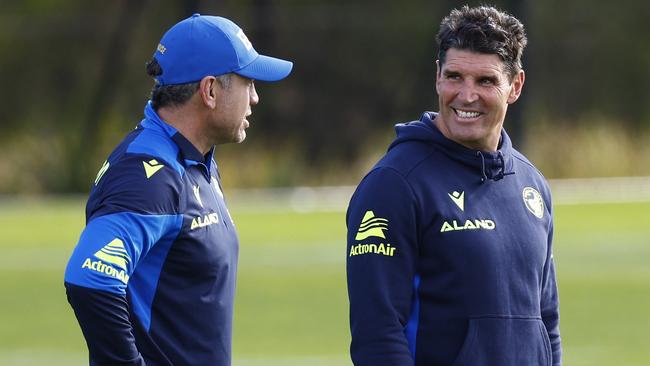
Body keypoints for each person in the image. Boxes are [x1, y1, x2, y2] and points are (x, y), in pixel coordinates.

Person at [64, 14, 292, 365]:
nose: (256, 98)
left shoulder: (193, 159)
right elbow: (90, 277)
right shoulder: (147, 174)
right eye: (248, 83)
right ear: (210, 91)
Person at [346, 5, 561, 366]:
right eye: (455, 76)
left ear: (516, 86)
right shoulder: (394, 185)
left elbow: (547, 322)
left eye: (486, 81)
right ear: (437, 77)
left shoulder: (533, 186)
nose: (466, 95)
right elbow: (377, 336)